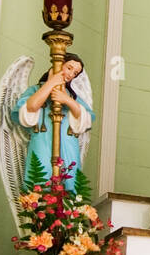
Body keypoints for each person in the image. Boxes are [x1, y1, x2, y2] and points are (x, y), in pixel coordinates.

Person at [14, 54, 93, 190]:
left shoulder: (72, 97)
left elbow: (87, 118)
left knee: (68, 181)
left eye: (75, 73)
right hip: (42, 142)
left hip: (68, 147)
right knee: (40, 179)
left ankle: (68, 211)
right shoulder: (35, 90)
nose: (71, 75)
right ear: (58, 64)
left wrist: (67, 100)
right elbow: (31, 107)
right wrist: (51, 83)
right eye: (69, 68)